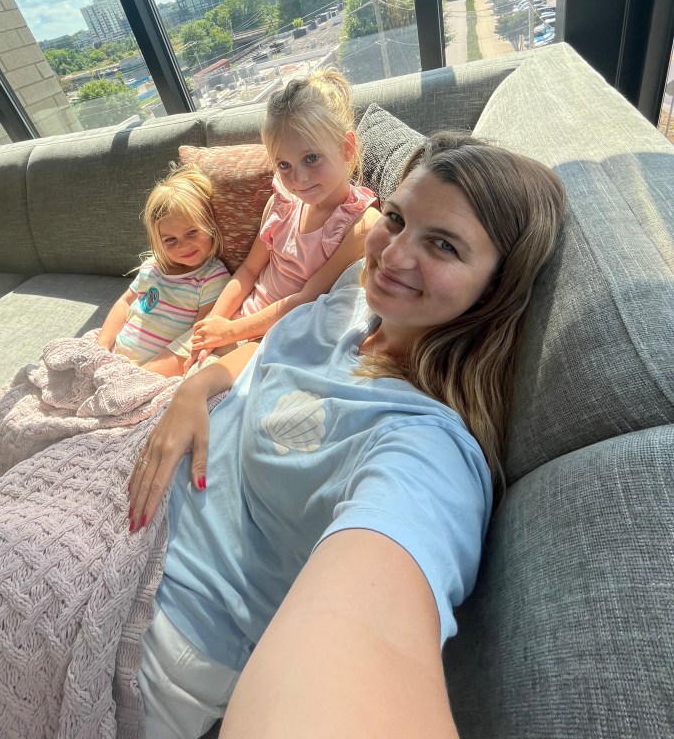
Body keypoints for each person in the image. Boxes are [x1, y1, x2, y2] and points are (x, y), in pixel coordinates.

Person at [127, 131, 566, 739]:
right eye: (397, 218)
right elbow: (272, 349)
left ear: (495, 287)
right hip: (128, 495)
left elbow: (363, 634)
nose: (394, 254)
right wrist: (199, 386)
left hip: (160, 619)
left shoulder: (424, 445)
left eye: (443, 244)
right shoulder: (357, 297)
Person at [178, 68, 380, 367]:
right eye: (284, 165)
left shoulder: (362, 223)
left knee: (191, 387)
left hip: (273, 341)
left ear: (346, 148)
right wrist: (213, 324)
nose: (298, 179)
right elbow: (249, 270)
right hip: (239, 320)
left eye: (311, 158)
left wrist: (231, 332)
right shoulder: (282, 203)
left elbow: (307, 297)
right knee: (153, 367)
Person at [97, 164, 230, 378]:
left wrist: (141, 375)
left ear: (210, 226)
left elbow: (197, 336)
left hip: (151, 374)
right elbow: (124, 304)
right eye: (170, 239)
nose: (183, 246)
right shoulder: (152, 266)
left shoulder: (212, 276)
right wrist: (102, 347)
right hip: (113, 358)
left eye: (192, 232)